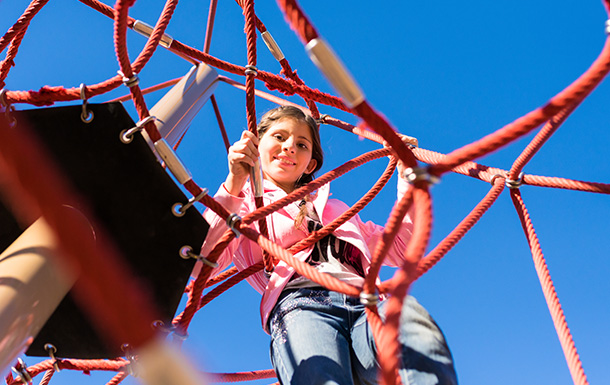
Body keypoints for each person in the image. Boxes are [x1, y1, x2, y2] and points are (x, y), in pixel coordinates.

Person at [197, 105, 457, 384]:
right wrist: (234, 182)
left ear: (310, 163)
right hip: (301, 305)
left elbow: (401, 247)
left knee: (412, 329)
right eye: (279, 137)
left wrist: (407, 174)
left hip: (366, 302)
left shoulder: (336, 209)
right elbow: (204, 264)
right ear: (257, 147)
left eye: (301, 144)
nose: (289, 147)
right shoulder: (246, 205)